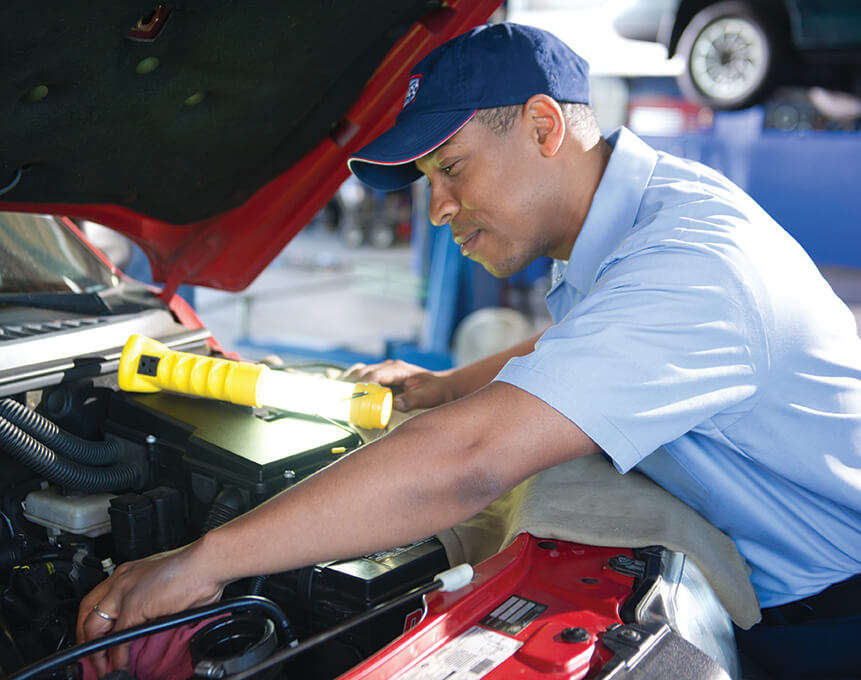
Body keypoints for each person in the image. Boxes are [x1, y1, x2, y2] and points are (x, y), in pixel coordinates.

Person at [78, 23, 861, 679]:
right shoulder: (636, 221)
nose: (441, 207)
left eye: (449, 170)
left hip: (828, 616)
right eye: (427, 180)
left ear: (544, 127)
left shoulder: (689, 263)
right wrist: (447, 386)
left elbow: (469, 463)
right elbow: (580, 340)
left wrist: (207, 559)